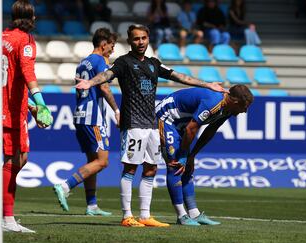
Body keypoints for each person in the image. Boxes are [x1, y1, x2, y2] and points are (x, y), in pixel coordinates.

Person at [76, 24, 227, 227]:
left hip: (151, 123)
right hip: (133, 123)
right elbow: (107, 75)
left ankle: (145, 216)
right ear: (130, 41)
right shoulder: (123, 62)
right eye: (136, 39)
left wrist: (207, 84)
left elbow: (180, 77)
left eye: (144, 38)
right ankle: (127, 216)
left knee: (151, 169)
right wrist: (90, 82)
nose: (140, 42)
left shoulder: (154, 63)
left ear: (148, 39)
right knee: (130, 169)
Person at [155, 85, 253, 225]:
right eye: (245, 107)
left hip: (183, 124)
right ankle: (181, 215)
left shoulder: (228, 109)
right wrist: (183, 156)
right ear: (236, 102)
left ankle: (194, 214)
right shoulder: (213, 103)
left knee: (187, 168)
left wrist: (192, 155)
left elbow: (210, 131)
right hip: (167, 118)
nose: (245, 111)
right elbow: (191, 129)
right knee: (175, 166)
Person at [53, 28, 119, 216]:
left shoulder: (83, 63)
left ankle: (92, 205)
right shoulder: (99, 61)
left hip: (81, 115)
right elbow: (104, 87)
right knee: (103, 161)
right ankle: (65, 185)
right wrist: (116, 110)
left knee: (92, 160)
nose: (112, 51)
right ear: (103, 44)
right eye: (111, 46)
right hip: (94, 117)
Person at [1, 0, 53, 233]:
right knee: (15, 160)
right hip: (11, 111)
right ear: (31, 18)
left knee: (18, 160)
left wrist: (30, 105)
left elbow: (10, 76)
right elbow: (26, 71)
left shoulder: (0, 37)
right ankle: (5, 217)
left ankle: (2, 210)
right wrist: (40, 102)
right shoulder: (26, 40)